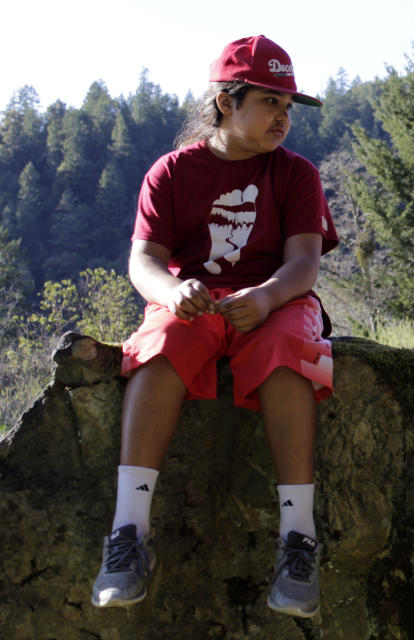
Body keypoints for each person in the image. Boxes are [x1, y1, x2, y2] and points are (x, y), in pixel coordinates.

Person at [91, 35, 339, 617]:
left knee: (288, 353)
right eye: (270, 101)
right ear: (226, 102)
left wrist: (270, 294)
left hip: (276, 300)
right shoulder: (172, 171)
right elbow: (143, 262)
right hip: (195, 304)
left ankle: (297, 541)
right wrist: (173, 293)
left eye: (288, 105)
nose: (283, 116)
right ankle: (128, 536)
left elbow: (304, 261)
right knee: (160, 346)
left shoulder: (297, 174)